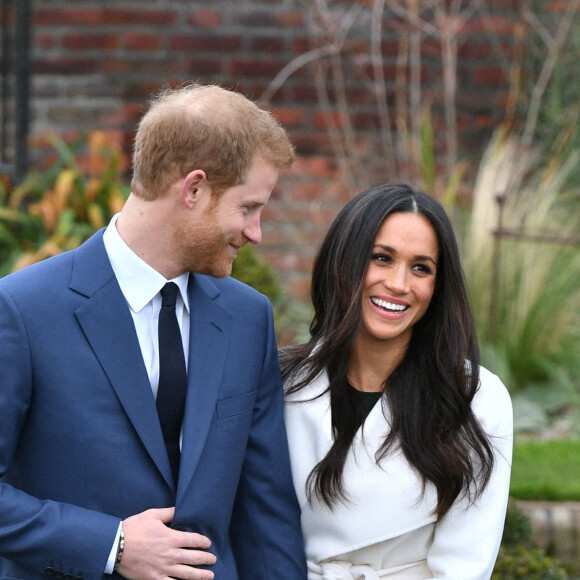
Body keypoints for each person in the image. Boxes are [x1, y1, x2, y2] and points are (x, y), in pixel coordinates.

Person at [0, 83, 307, 580]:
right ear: (194, 189)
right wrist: (111, 545)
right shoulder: (22, 309)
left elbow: (265, 512)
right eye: (248, 207)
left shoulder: (248, 318)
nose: (255, 233)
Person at [282, 182, 513, 579]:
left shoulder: (476, 398)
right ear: (344, 261)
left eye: (421, 268)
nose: (399, 284)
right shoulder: (280, 383)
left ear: (438, 286)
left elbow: (464, 566)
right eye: (381, 258)